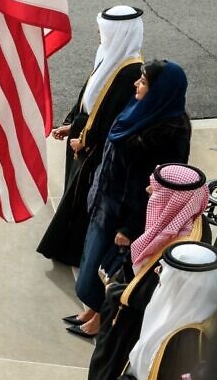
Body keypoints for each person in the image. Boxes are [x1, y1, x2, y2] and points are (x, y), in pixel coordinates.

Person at [76, 164, 209, 380]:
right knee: (103, 363)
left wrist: (119, 292)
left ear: (174, 198)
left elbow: (157, 291)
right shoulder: (176, 220)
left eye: (156, 189)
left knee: (114, 368)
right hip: (127, 307)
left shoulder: (185, 244)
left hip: (135, 320)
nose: (149, 192)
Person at [71, 59, 191, 339]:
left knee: (109, 268)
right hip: (106, 199)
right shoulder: (137, 109)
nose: (137, 85)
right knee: (92, 258)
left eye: (144, 82)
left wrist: (129, 225)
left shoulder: (168, 132)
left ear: (159, 90)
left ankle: (101, 317)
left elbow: (157, 186)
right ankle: (91, 308)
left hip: (125, 213)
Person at [38, 6, 145, 271]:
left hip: (94, 146)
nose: (99, 33)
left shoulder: (131, 71)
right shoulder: (108, 55)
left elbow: (113, 119)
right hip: (81, 132)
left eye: (103, 30)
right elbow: (89, 94)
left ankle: (72, 252)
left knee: (82, 198)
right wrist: (70, 122)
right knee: (72, 191)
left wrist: (85, 139)